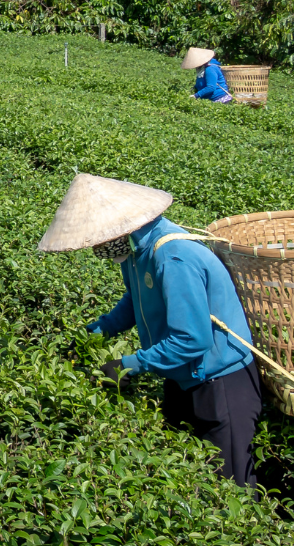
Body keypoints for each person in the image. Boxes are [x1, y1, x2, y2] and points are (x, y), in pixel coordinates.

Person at [38, 174, 263, 487]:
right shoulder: (134, 253)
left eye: (100, 238)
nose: (98, 247)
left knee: (231, 486)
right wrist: (97, 331)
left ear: (120, 228)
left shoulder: (173, 257)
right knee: (184, 475)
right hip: (180, 377)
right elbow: (137, 300)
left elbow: (192, 339)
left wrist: (129, 364)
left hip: (220, 382)